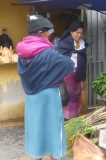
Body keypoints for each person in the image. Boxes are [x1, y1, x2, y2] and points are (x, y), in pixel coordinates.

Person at [16, 15, 74, 160]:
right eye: (49, 30)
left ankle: (37, 156)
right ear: (42, 32)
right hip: (48, 95)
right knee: (53, 128)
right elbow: (68, 65)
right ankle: (54, 156)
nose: (50, 33)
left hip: (32, 96)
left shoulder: (22, 52)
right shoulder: (47, 51)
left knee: (36, 127)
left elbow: (24, 72)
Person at [56, 20, 89, 120]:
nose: (79, 35)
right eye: (77, 33)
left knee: (76, 99)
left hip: (78, 76)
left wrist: (83, 77)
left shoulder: (82, 44)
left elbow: (83, 61)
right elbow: (59, 59)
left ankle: (74, 118)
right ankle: (66, 120)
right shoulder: (65, 44)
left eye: (81, 33)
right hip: (67, 77)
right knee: (67, 99)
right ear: (71, 32)